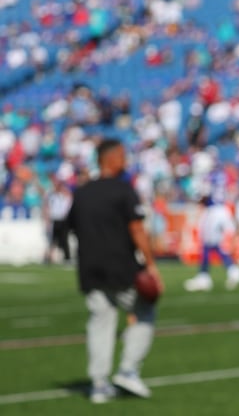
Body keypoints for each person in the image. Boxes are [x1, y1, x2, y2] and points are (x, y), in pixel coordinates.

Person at [67, 138, 164, 404]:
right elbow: (136, 229)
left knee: (100, 323)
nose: (125, 160)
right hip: (121, 269)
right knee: (144, 312)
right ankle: (128, 370)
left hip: (89, 270)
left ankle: (99, 385)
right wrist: (151, 265)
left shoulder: (81, 192)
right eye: (122, 156)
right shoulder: (123, 190)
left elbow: (71, 227)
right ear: (109, 159)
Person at [183, 195, 239, 291]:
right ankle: (232, 272)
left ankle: (206, 276)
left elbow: (228, 228)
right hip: (215, 237)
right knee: (216, 251)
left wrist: (230, 239)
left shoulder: (216, 210)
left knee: (213, 250)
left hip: (215, 237)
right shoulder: (213, 210)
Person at [44, 179, 73, 264]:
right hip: (55, 220)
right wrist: (48, 220)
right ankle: (48, 257)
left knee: (64, 239)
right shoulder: (52, 197)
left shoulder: (65, 197)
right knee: (53, 240)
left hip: (63, 220)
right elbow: (48, 208)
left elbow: (68, 207)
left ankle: (67, 257)